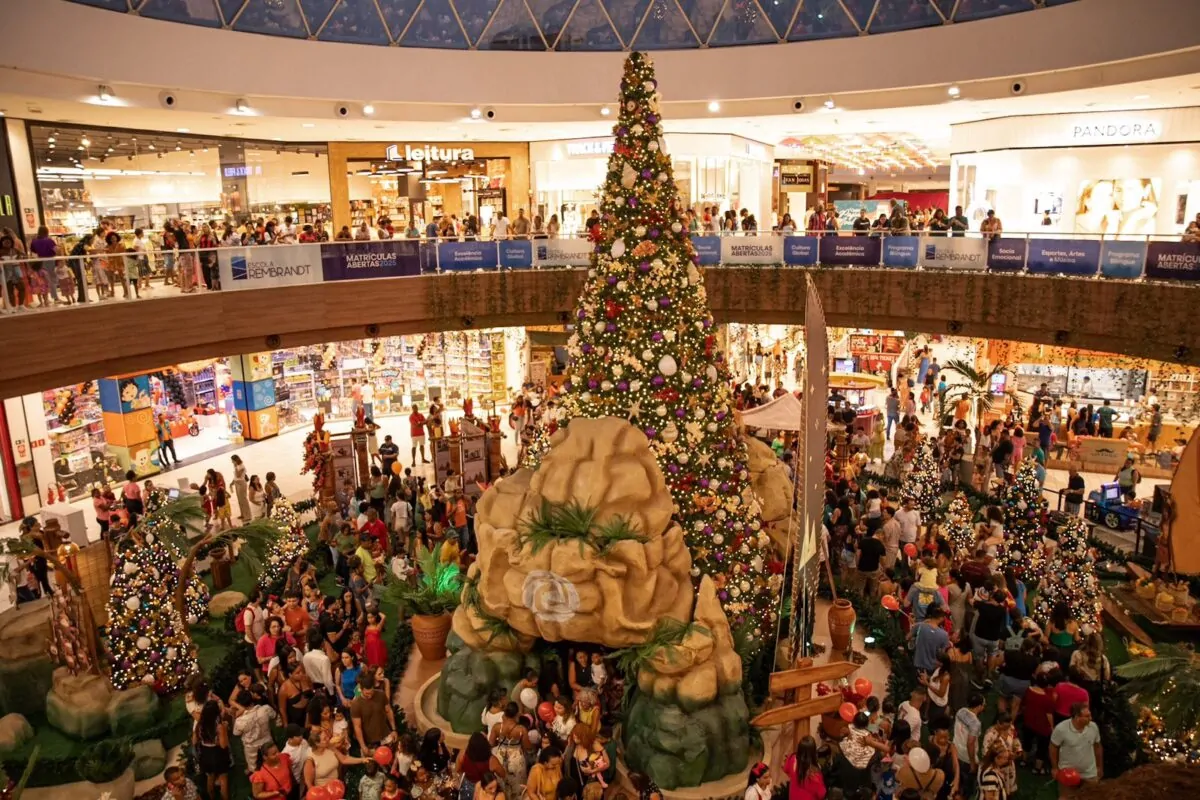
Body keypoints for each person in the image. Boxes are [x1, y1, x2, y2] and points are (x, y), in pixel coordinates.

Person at [1050, 702, 1102, 796]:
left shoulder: (1093, 727)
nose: (1090, 718)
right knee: (1066, 797)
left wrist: (1099, 767)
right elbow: (1053, 747)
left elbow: (1097, 747)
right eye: (1087, 716)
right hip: (1068, 773)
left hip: (1089, 773)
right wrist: (1055, 768)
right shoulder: (1061, 729)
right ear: (1077, 717)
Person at [194, 700, 232, 800]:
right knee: (223, 778)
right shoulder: (219, 726)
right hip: (217, 754)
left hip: (205, 753)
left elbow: (194, 740)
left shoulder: (199, 724)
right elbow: (223, 745)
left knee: (210, 777)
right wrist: (225, 730)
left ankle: (211, 797)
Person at [351, 672, 396, 752]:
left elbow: (388, 711)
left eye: (372, 692)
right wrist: (363, 745)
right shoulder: (356, 704)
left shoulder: (381, 694)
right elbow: (357, 727)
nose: (370, 695)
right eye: (367, 693)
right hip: (369, 742)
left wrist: (394, 729)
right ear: (361, 689)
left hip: (385, 735)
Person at [953, 692, 985, 800]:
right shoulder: (976, 723)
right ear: (979, 706)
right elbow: (970, 743)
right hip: (966, 759)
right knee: (966, 788)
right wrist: (972, 763)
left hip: (955, 752)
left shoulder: (960, 711)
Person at [784, 735, 825, 800]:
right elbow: (821, 794)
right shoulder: (814, 774)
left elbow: (786, 769)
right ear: (813, 752)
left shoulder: (792, 758)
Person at [231, 454, 250, 522]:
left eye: (232, 461)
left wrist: (236, 467)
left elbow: (238, 475)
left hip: (241, 483)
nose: (232, 462)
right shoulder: (237, 466)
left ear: (235, 460)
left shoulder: (241, 466)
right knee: (240, 500)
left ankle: (248, 515)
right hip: (237, 483)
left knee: (243, 500)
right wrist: (232, 483)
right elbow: (235, 477)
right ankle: (243, 514)